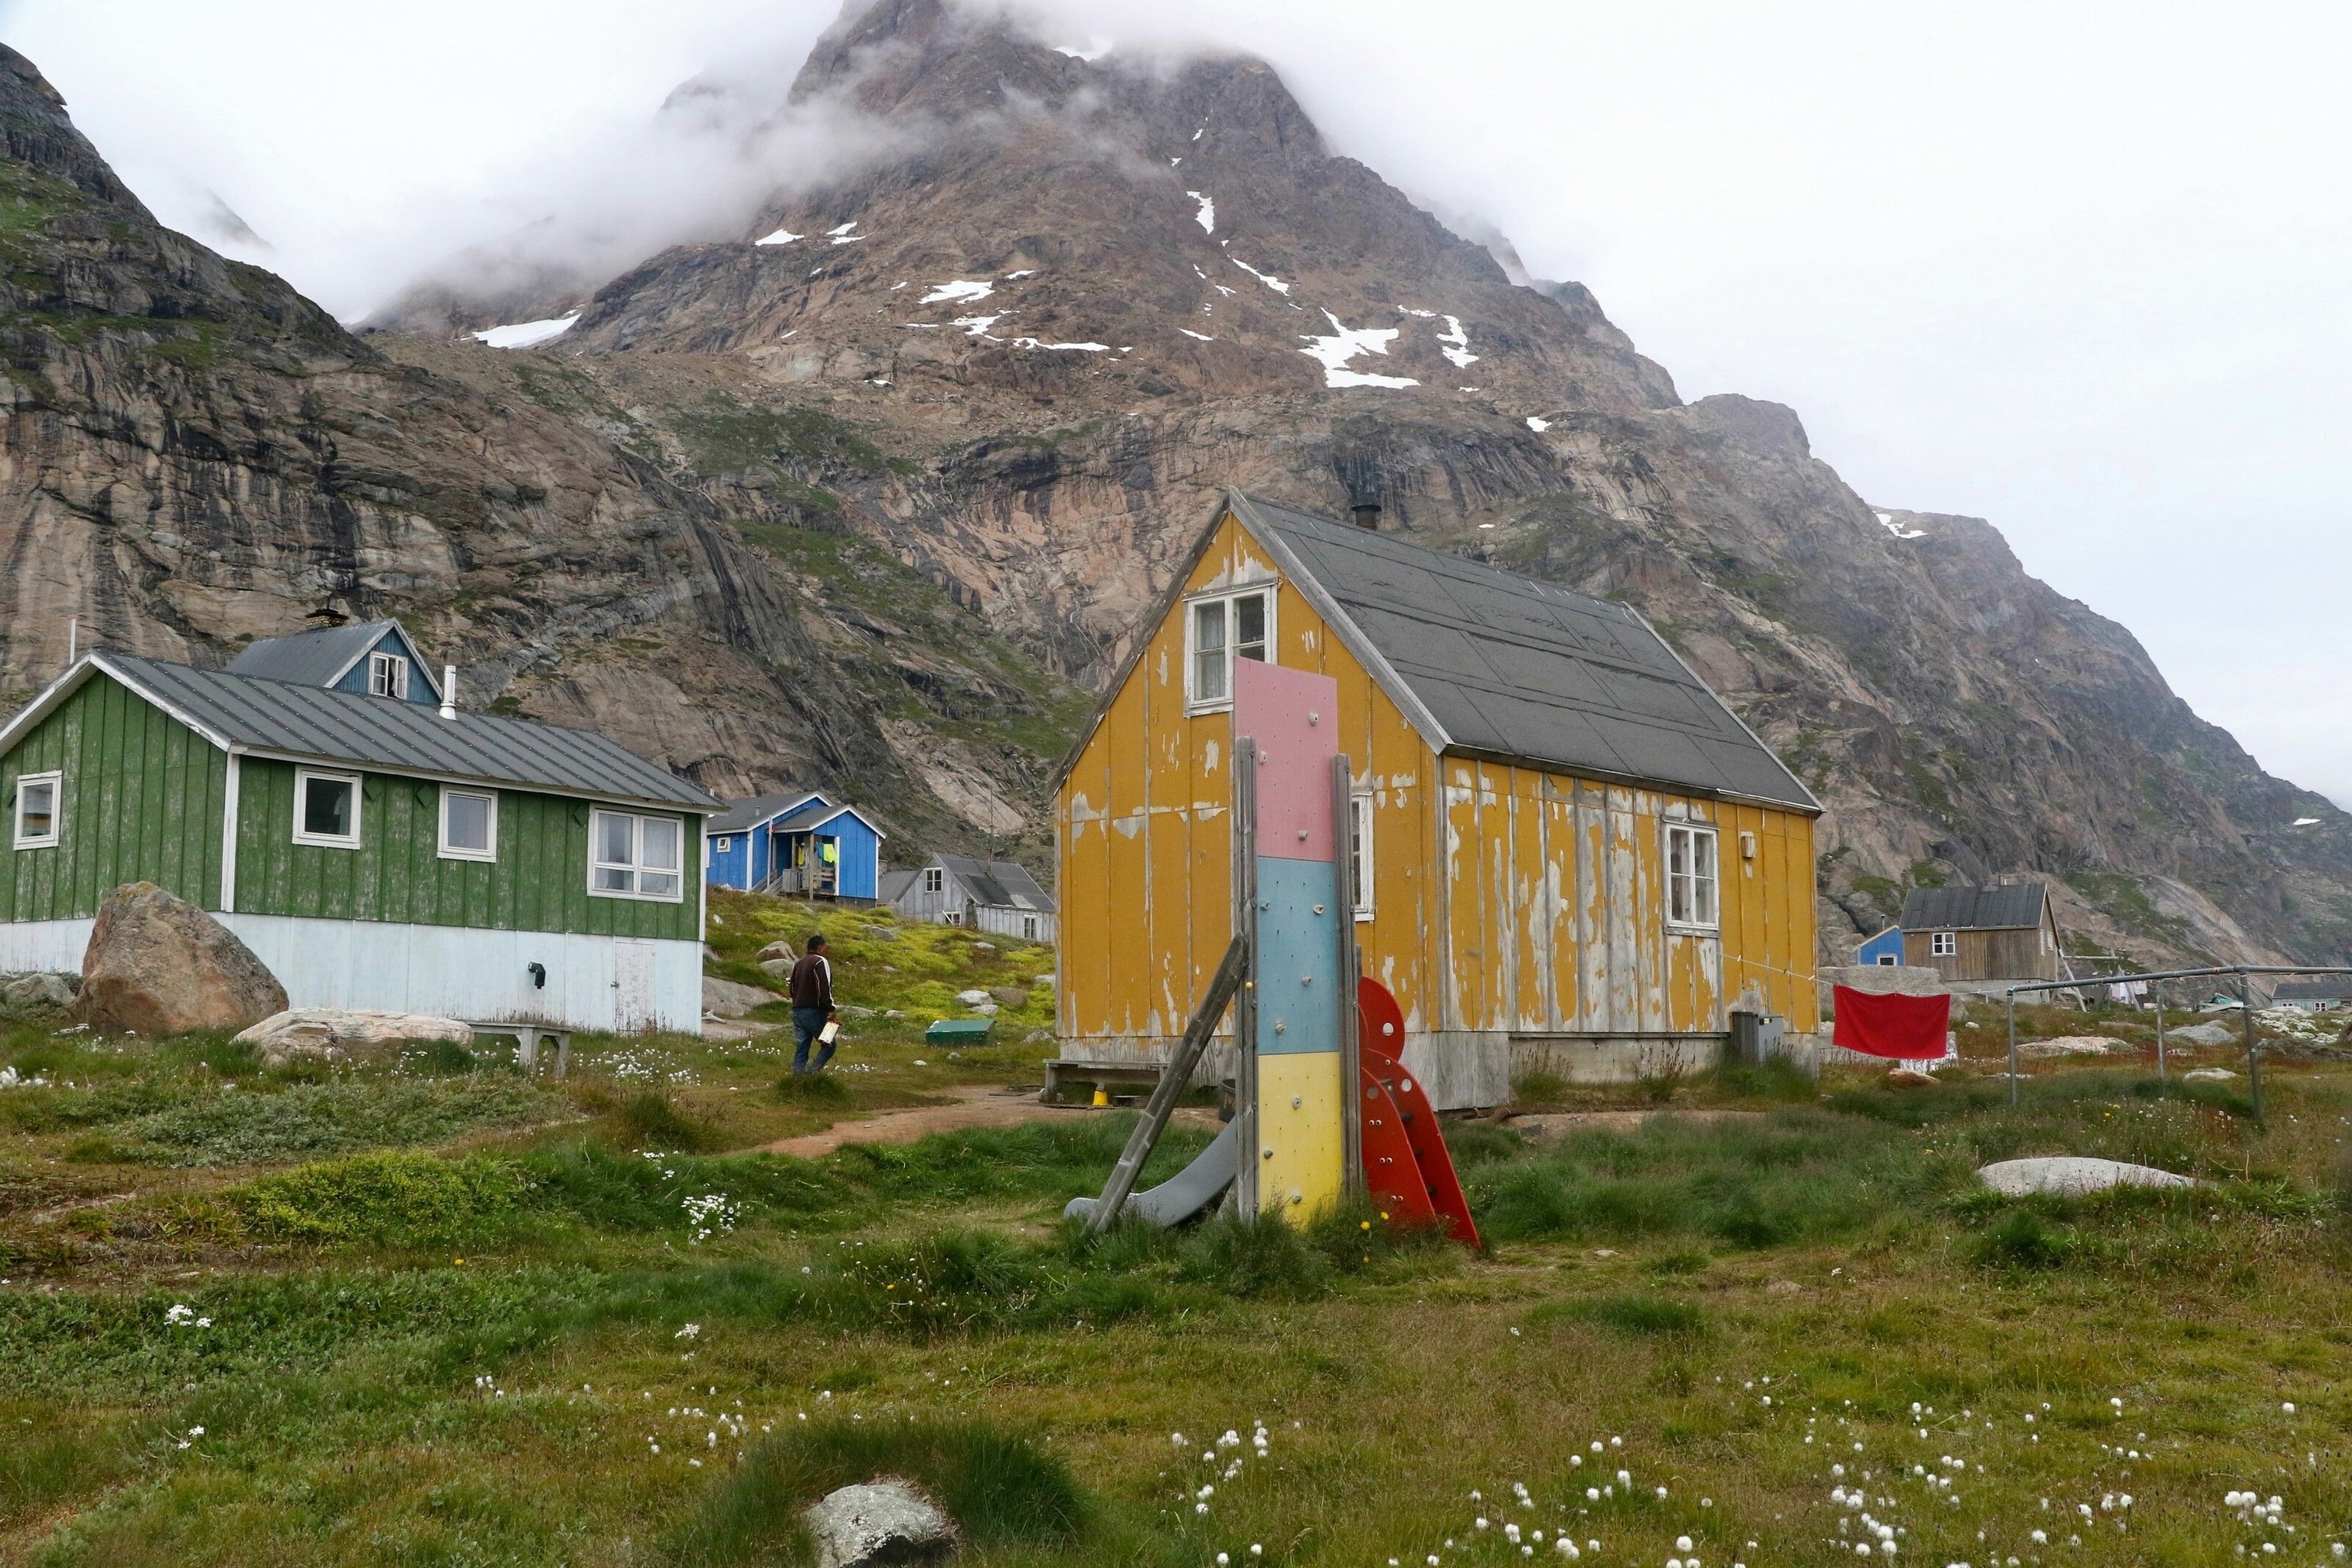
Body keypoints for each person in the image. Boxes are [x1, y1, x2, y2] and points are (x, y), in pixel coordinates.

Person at [788, 933, 841, 1075]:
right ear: (820, 946)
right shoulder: (820, 961)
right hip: (814, 1012)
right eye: (825, 947)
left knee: (802, 1047)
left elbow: (792, 989)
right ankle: (811, 1075)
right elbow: (824, 987)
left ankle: (798, 1078)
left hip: (797, 1011)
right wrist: (830, 1008)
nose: (826, 949)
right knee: (829, 1045)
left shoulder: (798, 964)